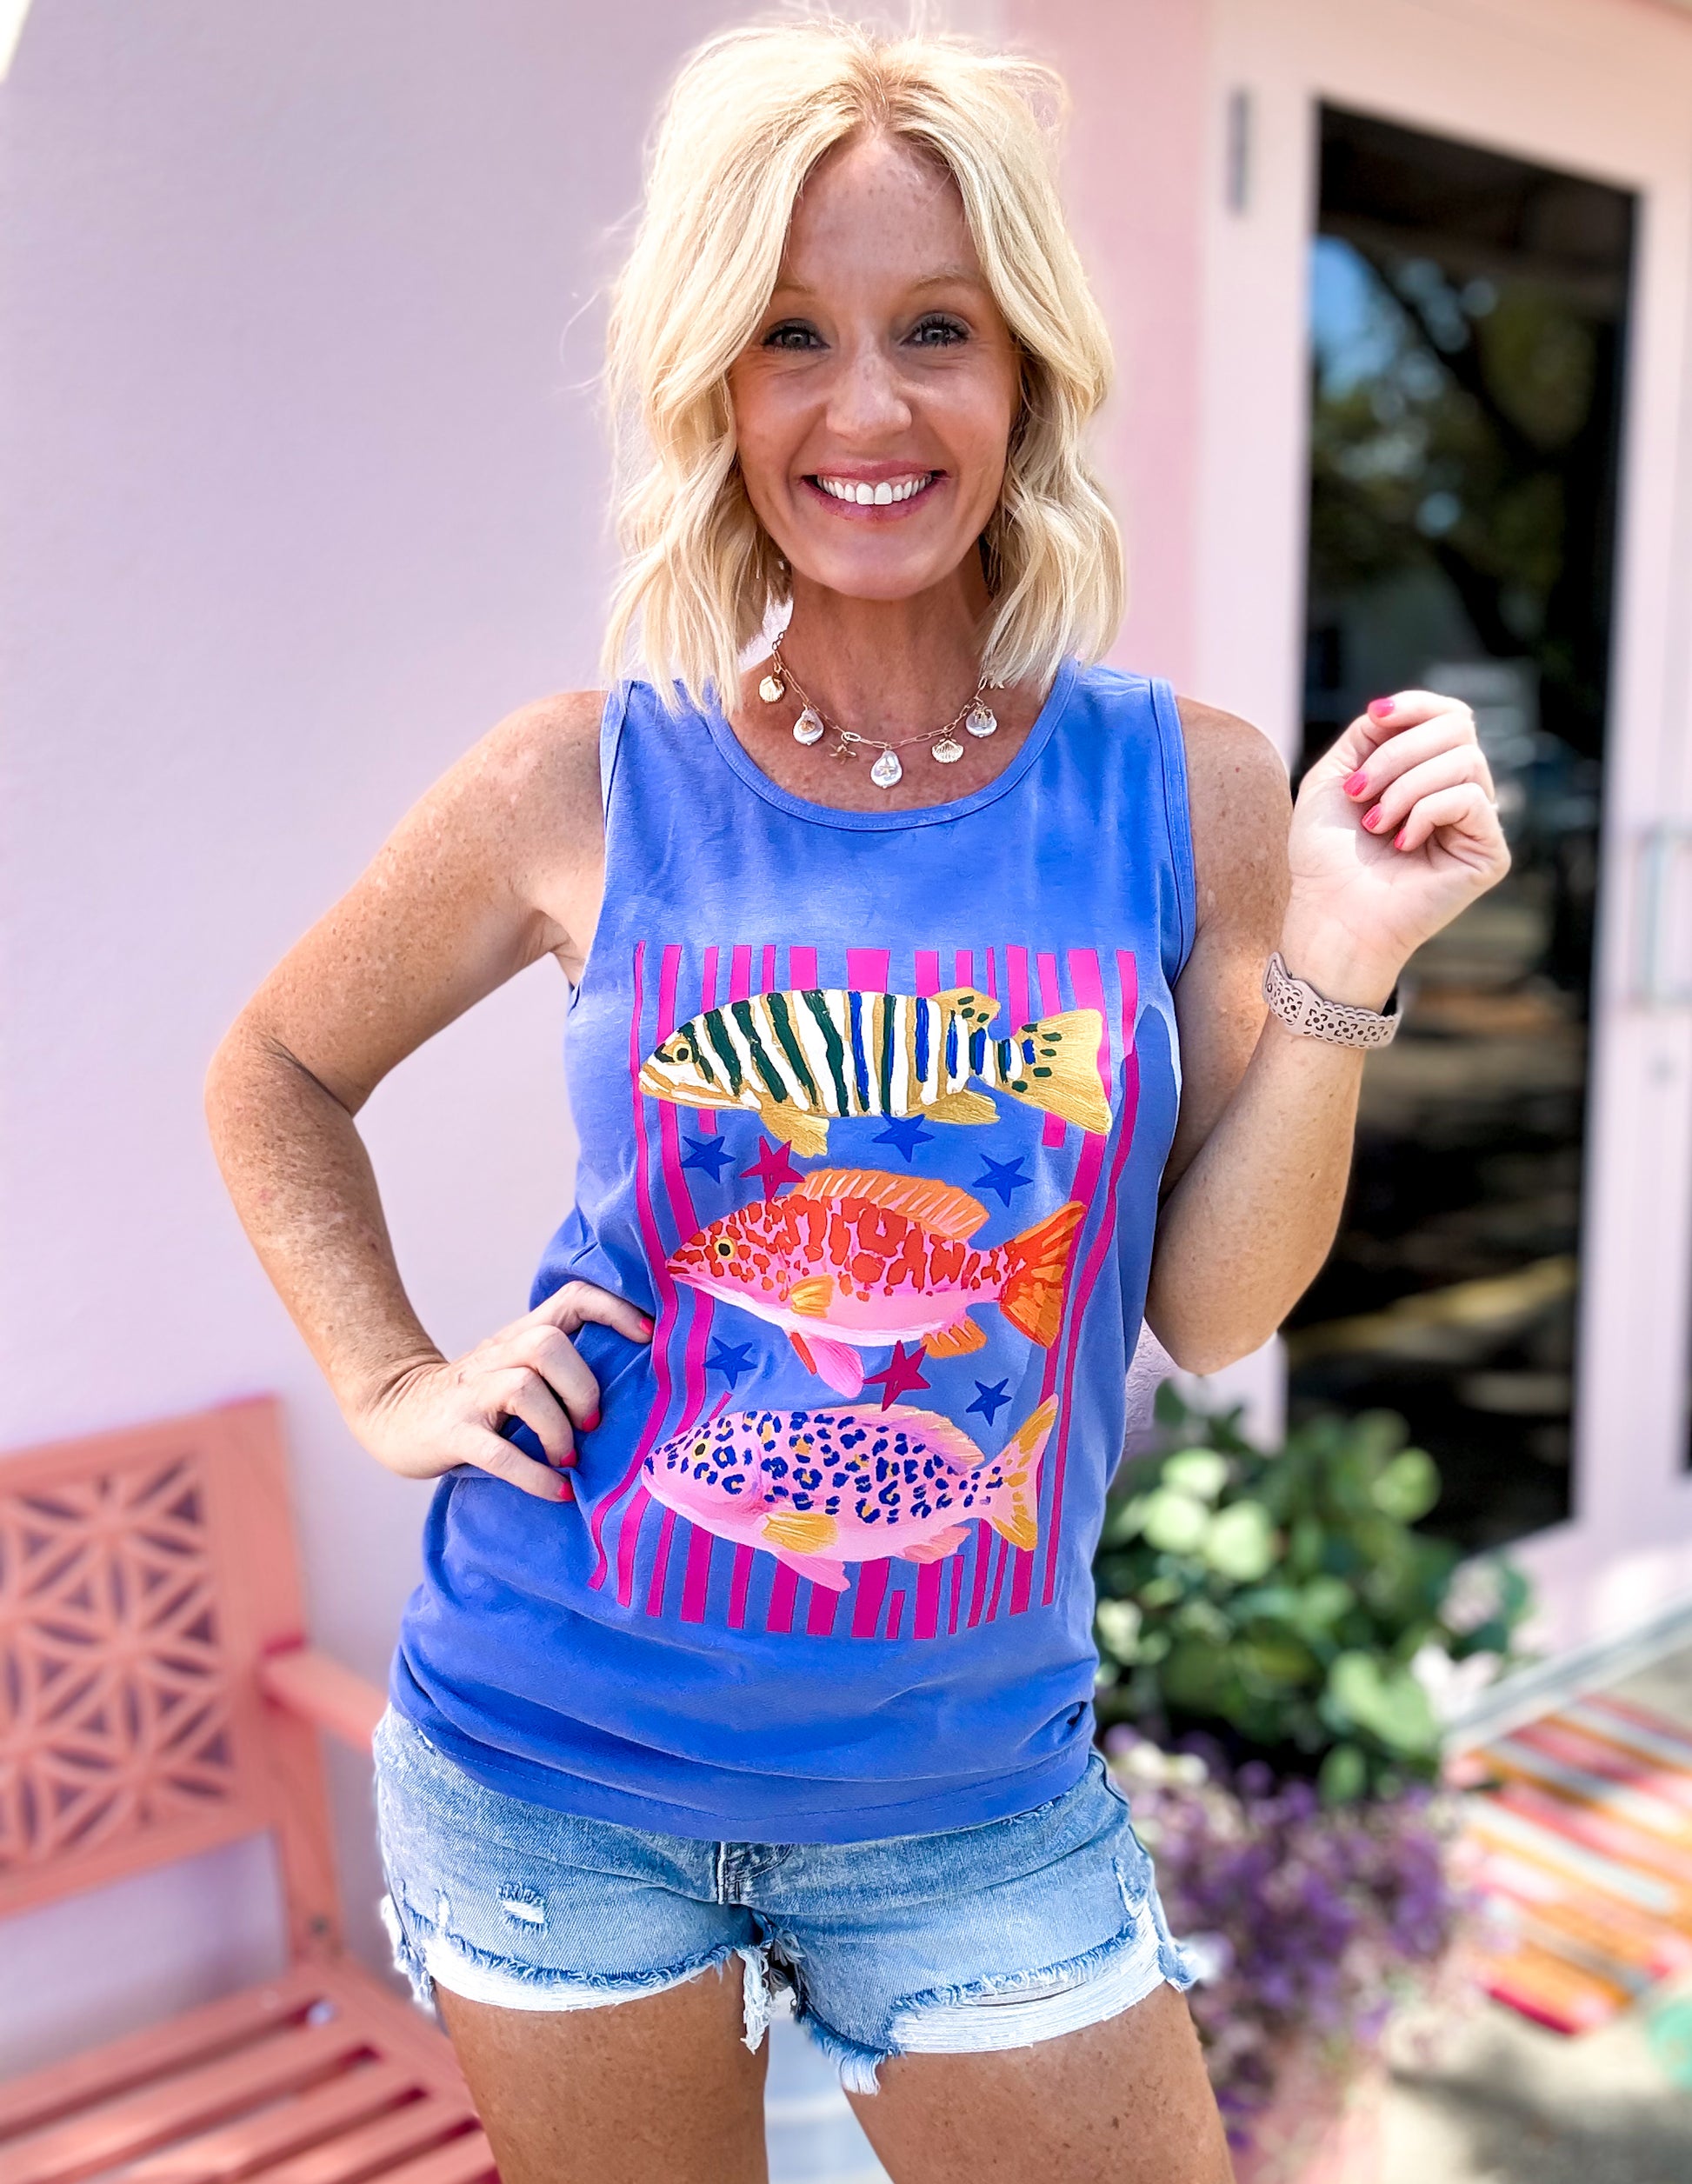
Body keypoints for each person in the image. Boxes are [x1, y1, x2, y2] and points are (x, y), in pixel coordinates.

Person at [206, 22, 1508, 2183]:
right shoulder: (579, 779)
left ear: (1028, 374)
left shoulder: (1180, 786)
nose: (868, 408)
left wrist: (1344, 963)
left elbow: (1207, 1310)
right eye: (790, 334)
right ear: (714, 385)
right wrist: (393, 1374)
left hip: (972, 1798)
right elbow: (275, 1068)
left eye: (936, 330)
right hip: (551, 1762)